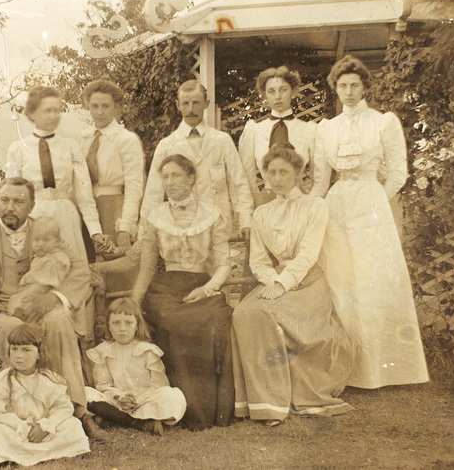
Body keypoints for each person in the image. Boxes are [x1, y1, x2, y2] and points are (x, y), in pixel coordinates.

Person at [0, 177, 109, 441]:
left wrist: (58, 298)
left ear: (32, 205)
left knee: (60, 319)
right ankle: (26, 415)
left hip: (39, 307)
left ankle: (78, 411)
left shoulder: (45, 232)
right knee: (18, 331)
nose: (10, 207)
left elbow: (80, 270)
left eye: (18, 201)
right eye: (4, 200)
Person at [310, 55, 429, 389]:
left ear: (364, 87)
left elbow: (398, 173)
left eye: (354, 85)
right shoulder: (327, 128)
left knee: (371, 280)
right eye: (342, 85)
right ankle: (344, 369)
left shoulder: (383, 122)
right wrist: (311, 211)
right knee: (339, 279)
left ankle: (380, 370)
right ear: (335, 88)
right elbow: (321, 181)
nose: (348, 91)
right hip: (337, 206)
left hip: (371, 207)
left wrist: (374, 196)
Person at [232, 145, 355, 425]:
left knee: (265, 313)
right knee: (243, 313)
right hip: (275, 279)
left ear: (298, 173)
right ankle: (265, 402)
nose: (277, 178)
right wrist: (273, 282)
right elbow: (260, 261)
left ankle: (281, 400)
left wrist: (282, 285)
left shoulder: (315, 206)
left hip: (308, 281)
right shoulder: (261, 213)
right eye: (271, 172)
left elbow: (308, 254)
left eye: (284, 172)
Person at [131, 154, 234, 431]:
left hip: (202, 285)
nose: (170, 181)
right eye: (165, 176)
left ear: (191, 177)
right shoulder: (156, 216)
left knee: (217, 318)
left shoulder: (212, 213)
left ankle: (213, 411)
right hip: (166, 288)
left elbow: (224, 264)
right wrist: (134, 301)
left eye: (176, 175)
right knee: (172, 320)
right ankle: (183, 409)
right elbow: (148, 265)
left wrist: (207, 289)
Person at [5, 85, 112, 263]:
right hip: (34, 217)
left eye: (57, 110)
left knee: (71, 267)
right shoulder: (18, 149)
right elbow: (12, 196)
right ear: (31, 113)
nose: (54, 116)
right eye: (47, 111)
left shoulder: (70, 146)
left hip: (66, 217)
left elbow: (84, 195)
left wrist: (95, 231)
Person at [140, 80, 254, 240]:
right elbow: (153, 193)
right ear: (178, 105)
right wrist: (145, 235)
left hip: (218, 229)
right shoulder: (167, 146)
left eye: (196, 103)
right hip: (181, 230)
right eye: (185, 103)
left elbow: (238, 184)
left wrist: (246, 221)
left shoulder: (222, 141)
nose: (191, 109)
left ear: (206, 104)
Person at [0, 323, 90, 466]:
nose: (19, 355)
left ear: (39, 354)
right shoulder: (3, 380)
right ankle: (26, 449)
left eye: (26, 350)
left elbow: (64, 408)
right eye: (14, 349)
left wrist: (46, 426)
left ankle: (23, 450)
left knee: (73, 425)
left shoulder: (50, 379)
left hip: (44, 428)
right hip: (16, 429)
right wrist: (21, 426)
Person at [85, 298, 187, 435]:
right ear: (108, 326)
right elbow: (102, 385)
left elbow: (159, 385)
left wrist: (137, 400)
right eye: (116, 323)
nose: (122, 329)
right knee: (86, 393)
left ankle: (111, 419)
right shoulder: (103, 351)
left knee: (172, 396)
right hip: (116, 404)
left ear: (137, 325)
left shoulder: (148, 351)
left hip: (144, 401)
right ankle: (139, 424)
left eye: (128, 323)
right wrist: (120, 398)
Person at [78, 78, 145, 253]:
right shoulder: (84, 138)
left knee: (114, 265)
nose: (100, 112)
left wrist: (126, 226)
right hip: (86, 209)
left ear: (116, 107)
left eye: (106, 106)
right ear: (88, 107)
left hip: (114, 208)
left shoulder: (126, 139)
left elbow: (134, 185)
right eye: (94, 106)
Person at [239, 66, 317, 206]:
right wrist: (259, 200)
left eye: (283, 89)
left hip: (299, 201)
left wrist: (308, 201)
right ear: (265, 95)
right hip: (266, 200)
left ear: (292, 92)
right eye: (271, 91)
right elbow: (247, 175)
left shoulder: (307, 130)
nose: (277, 96)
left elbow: (316, 175)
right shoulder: (255, 130)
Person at [7, 216, 74, 322]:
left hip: (41, 294)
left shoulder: (55, 259)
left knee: (23, 308)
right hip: (31, 292)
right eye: (36, 240)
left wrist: (25, 296)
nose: (40, 244)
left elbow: (44, 284)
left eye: (46, 240)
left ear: (57, 242)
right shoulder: (41, 256)